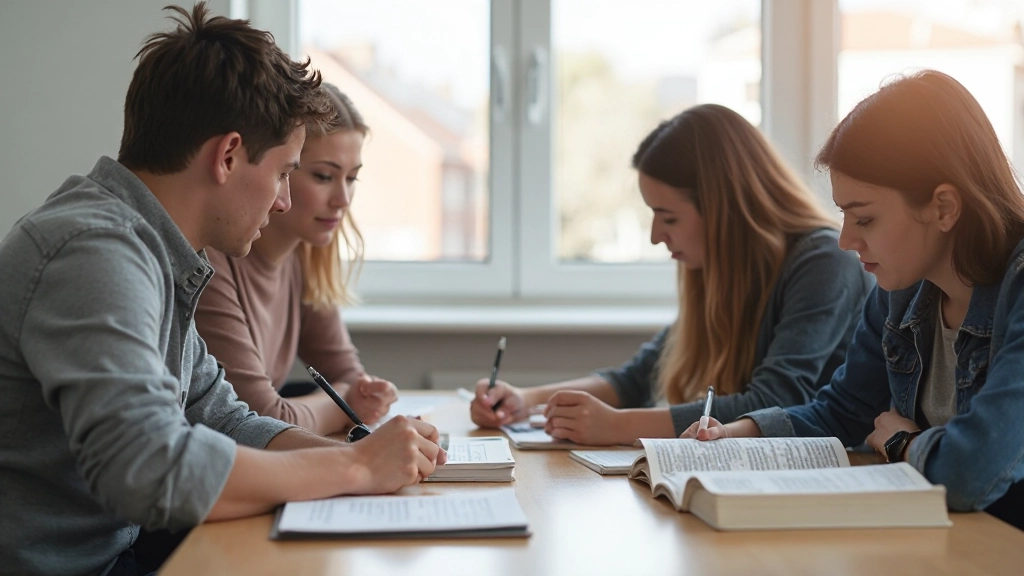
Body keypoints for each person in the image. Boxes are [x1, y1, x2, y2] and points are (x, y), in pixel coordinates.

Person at [0, 5, 444, 576]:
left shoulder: (156, 253)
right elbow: (150, 470)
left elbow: (229, 421)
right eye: (284, 172)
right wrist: (355, 469)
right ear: (228, 155)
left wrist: (372, 460)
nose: (283, 200)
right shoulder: (93, 251)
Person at [680, 70, 1024, 530]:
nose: (845, 241)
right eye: (844, 215)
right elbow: (842, 412)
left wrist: (904, 444)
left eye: (864, 219)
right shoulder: (902, 290)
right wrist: (737, 436)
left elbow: (969, 472)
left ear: (943, 207)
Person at [471, 104, 873, 445]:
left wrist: (616, 425)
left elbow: (772, 401)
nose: (654, 236)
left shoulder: (824, 261)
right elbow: (636, 378)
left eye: (669, 217)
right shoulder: (719, 273)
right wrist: (526, 399)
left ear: (724, 209)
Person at [195, 84, 397, 436]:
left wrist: (355, 396)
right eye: (323, 176)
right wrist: (343, 407)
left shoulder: (305, 256)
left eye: (351, 178)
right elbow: (260, 419)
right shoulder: (211, 259)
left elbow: (350, 377)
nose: (343, 199)